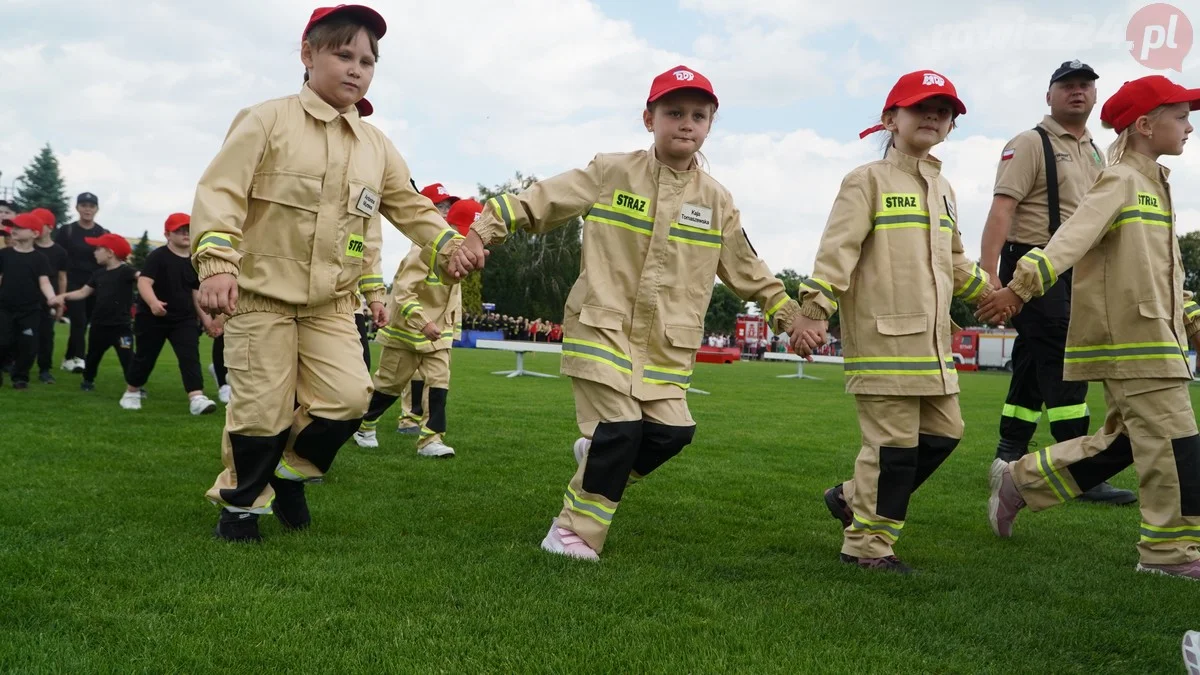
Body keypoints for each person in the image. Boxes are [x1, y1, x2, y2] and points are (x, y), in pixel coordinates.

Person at [453, 65, 803, 561]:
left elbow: (747, 269)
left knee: (672, 434)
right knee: (620, 430)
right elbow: (538, 200)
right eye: (674, 112)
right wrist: (481, 232)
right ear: (649, 118)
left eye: (698, 116)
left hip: (666, 343)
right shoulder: (610, 172)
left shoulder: (718, 201)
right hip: (602, 326)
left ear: (710, 125)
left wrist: (790, 315)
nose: (686, 123)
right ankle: (570, 535)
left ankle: (599, 459)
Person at [191, 4, 470, 543]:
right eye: (343, 54)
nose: (356, 68)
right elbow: (220, 192)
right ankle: (242, 508)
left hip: (330, 306)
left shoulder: (375, 145)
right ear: (307, 54)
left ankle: (292, 471)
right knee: (260, 408)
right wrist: (216, 265)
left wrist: (450, 242)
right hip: (259, 298)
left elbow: (410, 208)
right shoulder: (265, 120)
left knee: (349, 398)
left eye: (368, 60)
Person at [979, 75, 1200, 580]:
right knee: (1175, 442)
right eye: (1182, 117)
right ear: (1144, 125)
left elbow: (1165, 269)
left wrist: (1190, 316)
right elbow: (1068, 240)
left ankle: (1019, 481)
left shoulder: (1155, 184)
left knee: (1123, 441)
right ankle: (1167, 555)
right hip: (1132, 341)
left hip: (1157, 337)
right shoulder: (1120, 179)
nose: (1190, 128)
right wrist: (1020, 287)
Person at [792, 70, 995, 574]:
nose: (933, 116)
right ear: (890, 119)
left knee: (945, 435)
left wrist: (998, 295)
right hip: (883, 340)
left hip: (932, 346)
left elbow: (955, 260)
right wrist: (815, 312)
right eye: (920, 107)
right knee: (893, 450)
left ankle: (849, 497)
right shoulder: (866, 180)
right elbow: (835, 252)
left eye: (944, 110)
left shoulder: (943, 187)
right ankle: (868, 547)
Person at [979, 60, 1134, 505]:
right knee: (1066, 359)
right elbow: (1002, 209)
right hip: (1030, 260)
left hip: (1075, 267)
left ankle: (1009, 452)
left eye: (1085, 85)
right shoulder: (1029, 143)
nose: (1078, 92)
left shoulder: (1096, 151)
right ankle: (1081, 470)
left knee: (1032, 361)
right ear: (1048, 96)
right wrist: (989, 274)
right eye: (1067, 85)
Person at [355, 198, 482, 456]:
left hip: (439, 335)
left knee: (439, 382)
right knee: (389, 384)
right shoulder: (423, 250)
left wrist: (449, 330)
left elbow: (452, 299)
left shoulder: (461, 254)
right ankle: (364, 424)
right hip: (408, 332)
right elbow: (402, 292)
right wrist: (422, 323)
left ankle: (431, 440)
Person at [120, 213, 218, 415]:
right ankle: (131, 392)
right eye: (179, 230)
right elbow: (144, 282)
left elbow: (195, 292)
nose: (185, 233)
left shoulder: (194, 260)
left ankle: (196, 397)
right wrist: (153, 302)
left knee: (189, 356)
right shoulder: (157, 256)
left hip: (183, 319)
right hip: (152, 318)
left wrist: (208, 321)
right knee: (145, 357)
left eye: (188, 230)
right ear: (167, 234)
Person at [52, 232, 137, 391]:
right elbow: (83, 293)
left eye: (98, 249)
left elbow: (142, 278)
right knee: (93, 356)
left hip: (122, 327)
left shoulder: (127, 271)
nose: (94, 252)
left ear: (110, 253)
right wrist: (63, 296)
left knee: (128, 357)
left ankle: (135, 386)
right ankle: (88, 380)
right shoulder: (98, 274)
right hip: (99, 326)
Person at [0, 213, 58, 388]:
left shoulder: (40, 259)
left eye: (19, 227)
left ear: (34, 233)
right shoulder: (4, 254)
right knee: (2, 342)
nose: (14, 230)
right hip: (4, 308)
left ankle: (20, 377)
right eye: (13, 227)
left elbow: (44, 281)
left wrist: (52, 298)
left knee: (27, 346)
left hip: (30, 311)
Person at [54, 192, 108, 374]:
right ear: (77, 208)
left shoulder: (102, 233)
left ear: (97, 209)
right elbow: (58, 258)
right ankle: (79, 358)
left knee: (84, 323)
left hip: (94, 283)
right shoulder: (66, 230)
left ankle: (68, 358)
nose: (87, 209)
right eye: (83, 205)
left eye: (91, 206)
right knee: (78, 320)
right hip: (72, 282)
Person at [30, 208, 67, 384]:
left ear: (50, 227)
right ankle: (13, 364)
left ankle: (44, 369)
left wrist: (60, 301)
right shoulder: (28, 248)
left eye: (39, 224)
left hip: (47, 300)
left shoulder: (59, 252)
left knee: (46, 335)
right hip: (25, 298)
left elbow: (62, 277)